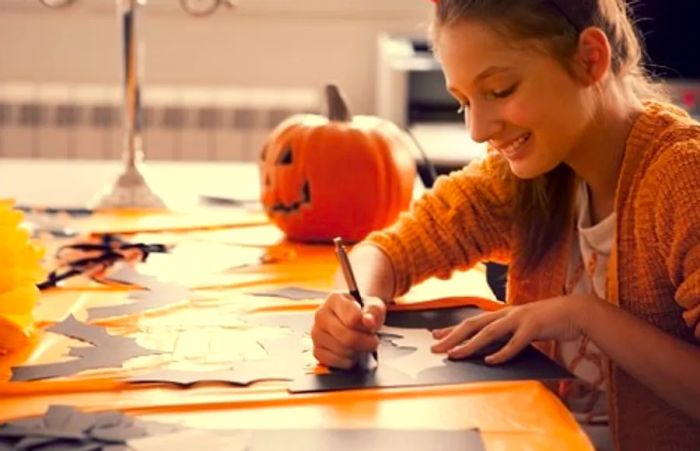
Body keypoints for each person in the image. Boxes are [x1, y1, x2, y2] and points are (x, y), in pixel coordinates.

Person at [310, 0, 700, 450]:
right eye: (463, 103)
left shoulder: (682, 179)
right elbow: (389, 250)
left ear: (590, 59)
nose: (476, 130)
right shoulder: (527, 175)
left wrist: (585, 316)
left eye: (500, 90)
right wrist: (350, 304)